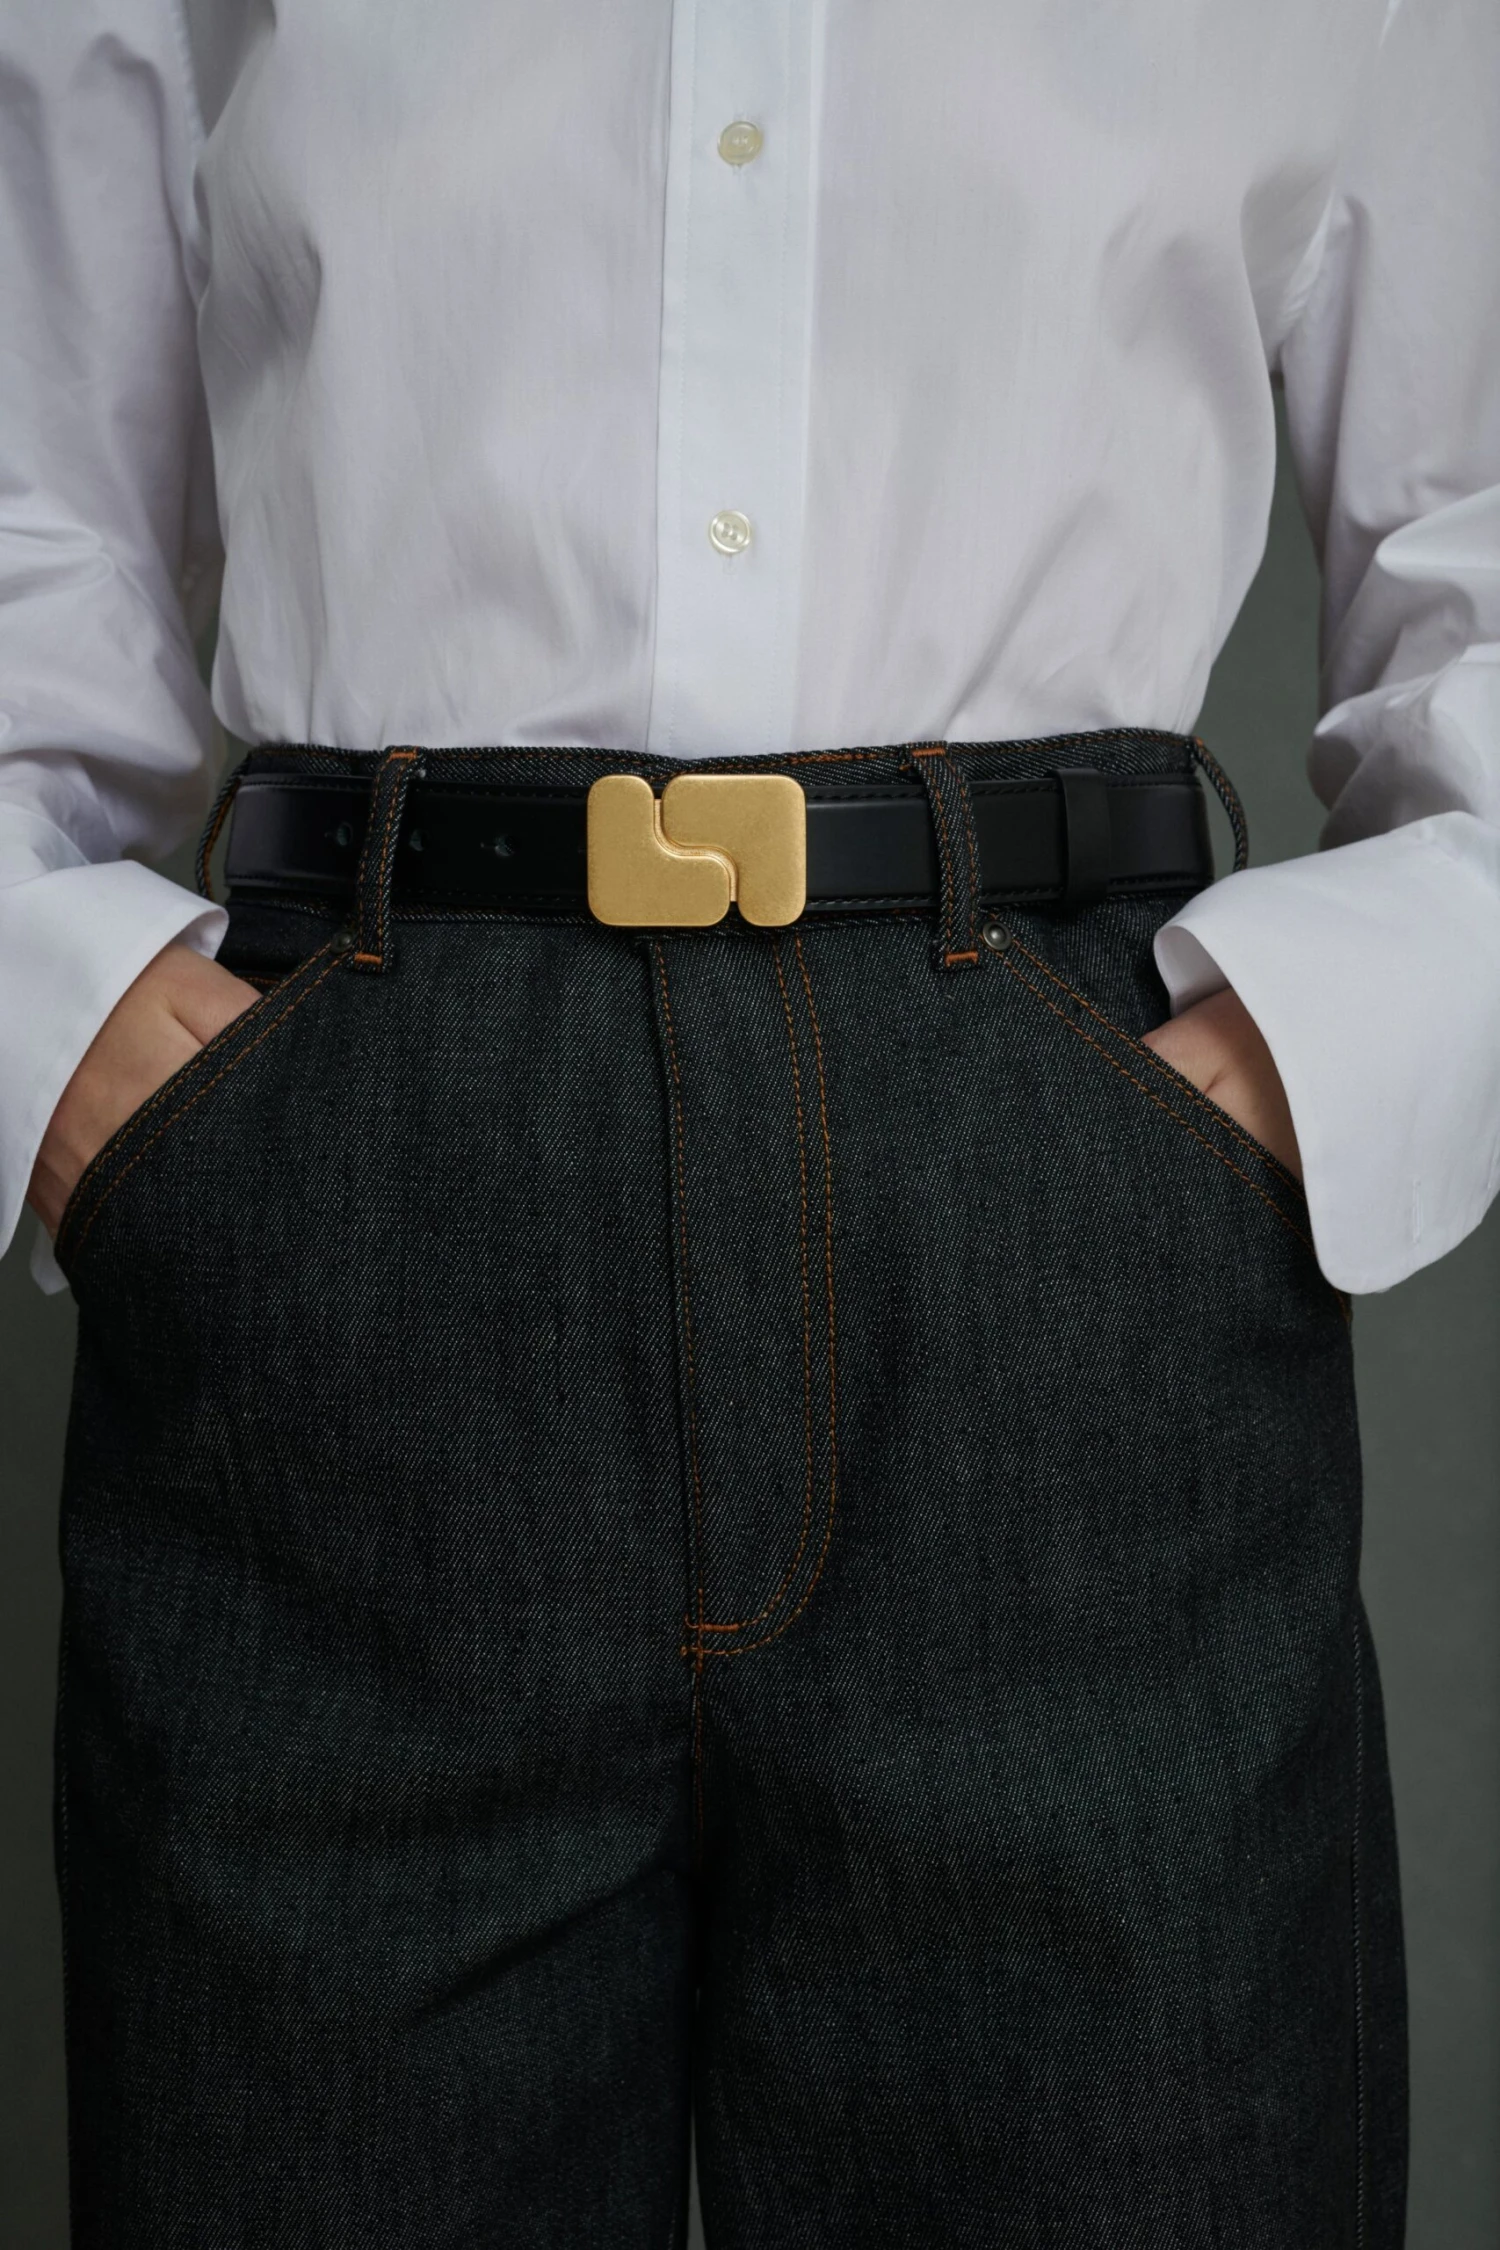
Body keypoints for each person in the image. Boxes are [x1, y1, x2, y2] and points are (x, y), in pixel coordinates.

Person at [2, 2, 1495, 2243]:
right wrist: (62, 1038)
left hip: (1060, 1219)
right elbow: (30, 472)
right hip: (355, 1201)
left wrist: (1306, 1074)